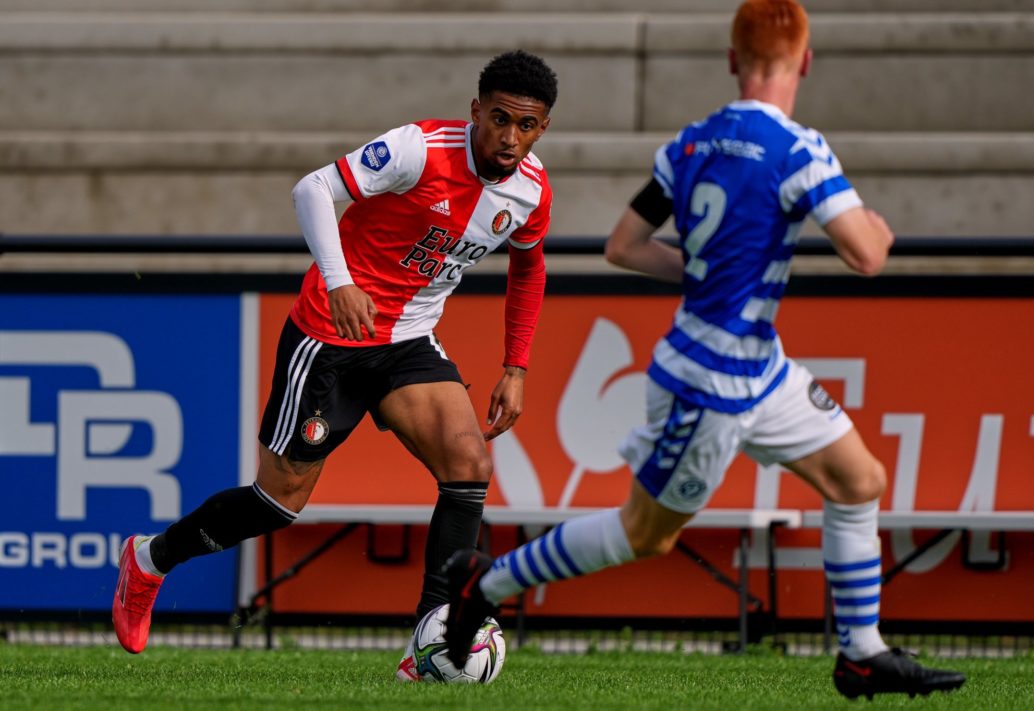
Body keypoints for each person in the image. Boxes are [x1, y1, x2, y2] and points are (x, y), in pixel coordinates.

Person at [443, 1, 965, 700]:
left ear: (731, 60)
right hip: (708, 383)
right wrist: (875, 225)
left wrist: (703, 269)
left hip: (761, 368)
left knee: (859, 481)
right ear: (805, 62)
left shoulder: (690, 143)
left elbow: (622, 246)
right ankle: (486, 580)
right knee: (643, 533)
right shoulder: (799, 148)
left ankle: (861, 653)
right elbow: (867, 254)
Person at [112, 50, 558, 682]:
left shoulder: (532, 188)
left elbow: (528, 266)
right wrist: (339, 281)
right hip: (329, 337)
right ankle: (149, 560)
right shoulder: (420, 148)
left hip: (408, 341)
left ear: (543, 128)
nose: (510, 137)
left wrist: (516, 365)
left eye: (528, 125)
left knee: (469, 465)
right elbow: (313, 188)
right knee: (278, 503)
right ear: (475, 111)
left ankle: (430, 636)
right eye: (499, 118)